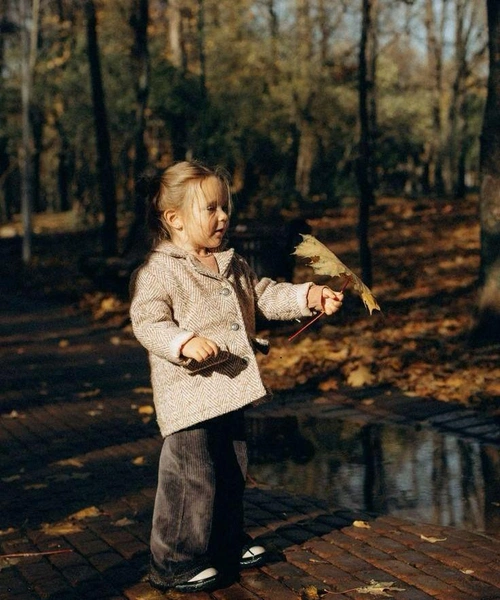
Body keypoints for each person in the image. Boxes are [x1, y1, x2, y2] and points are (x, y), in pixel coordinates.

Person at [129, 160, 343, 593]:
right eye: (211, 209)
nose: (223, 217)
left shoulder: (230, 262)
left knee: (229, 471)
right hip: (189, 398)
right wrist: (183, 342)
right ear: (175, 220)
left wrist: (310, 295)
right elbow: (147, 321)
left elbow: (264, 294)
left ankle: (225, 542)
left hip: (228, 390)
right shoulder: (160, 270)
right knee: (191, 478)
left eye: (225, 207)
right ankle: (175, 558)